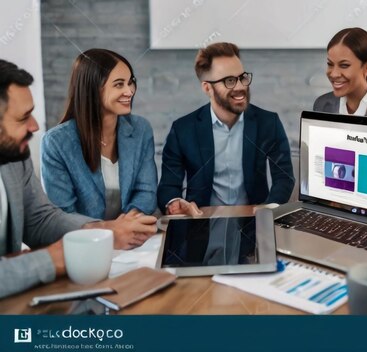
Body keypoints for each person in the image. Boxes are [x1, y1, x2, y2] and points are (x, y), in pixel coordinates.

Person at [0, 60, 157, 298]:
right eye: (23, 119)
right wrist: (53, 259)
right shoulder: (56, 142)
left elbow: (40, 219)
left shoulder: (14, 157)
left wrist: (105, 231)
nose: (34, 127)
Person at [157, 42, 294, 215]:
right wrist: (175, 203)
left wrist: (267, 210)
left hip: (254, 220)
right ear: (207, 88)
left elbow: (284, 177)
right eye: (229, 80)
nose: (240, 87)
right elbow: (168, 186)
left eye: (242, 77)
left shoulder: (268, 123)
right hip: (201, 222)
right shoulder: (182, 130)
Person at [41, 49, 157, 220]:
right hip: (84, 241)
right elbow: (63, 214)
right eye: (119, 84)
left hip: (133, 237)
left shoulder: (141, 129)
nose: (130, 91)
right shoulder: (56, 142)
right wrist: (112, 231)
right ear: (93, 88)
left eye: (130, 82)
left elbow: (146, 192)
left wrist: (129, 222)